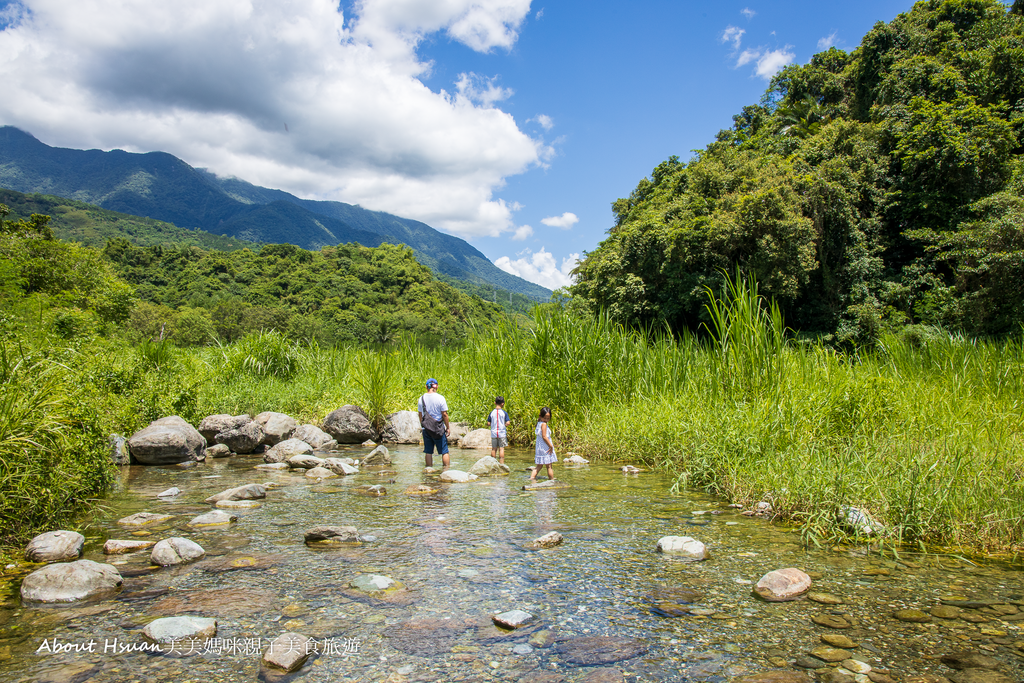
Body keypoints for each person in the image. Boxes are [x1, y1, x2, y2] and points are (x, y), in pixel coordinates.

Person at [417, 378, 450, 469]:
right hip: (438, 428)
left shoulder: (421, 399)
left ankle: (428, 471)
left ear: (426, 387)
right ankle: (446, 470)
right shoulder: (440, 398)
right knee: (444, 451)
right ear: (436, 386)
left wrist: (423, 426)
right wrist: (448, 427)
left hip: (426, 429)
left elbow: (420, 415)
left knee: (428, 451)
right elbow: (444, 414)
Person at [531, 407, 556, 482]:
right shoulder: (544, 424)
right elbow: (544, 437)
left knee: (539, 466)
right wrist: (550, 446)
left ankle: (532, 478)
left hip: (539, 447)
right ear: (540, 416)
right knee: (549, 466)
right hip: (545, 447)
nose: (546, 420)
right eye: (545, 418)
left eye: (548, 418)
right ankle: (551, 480)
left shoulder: (539, 423)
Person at [486, 396, 511, 464]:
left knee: (494, 449)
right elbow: (508, 423)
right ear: (502, 404)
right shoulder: (504, 413)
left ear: (495, 403)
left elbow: (488, 423)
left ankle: (492, 463)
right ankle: (501, 463)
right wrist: (504, 425)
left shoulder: (492, 413)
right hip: (502, 433)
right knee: (501, 448)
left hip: (494, 433)